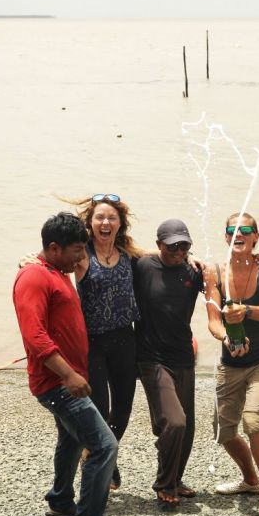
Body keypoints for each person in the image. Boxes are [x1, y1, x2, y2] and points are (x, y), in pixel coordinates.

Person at [12, 211, 119, 516]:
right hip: (57, 383)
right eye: (76, 250)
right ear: (55, 248)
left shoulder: (55, 271)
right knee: (104, 447)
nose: (81, 257)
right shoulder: (34, 277)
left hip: (66, 380)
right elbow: (35, 337)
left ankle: (60, 501)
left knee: (71, 441)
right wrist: (69, 375)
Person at [204, 212, 259, 516]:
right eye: (232, 230)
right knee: (223, 431)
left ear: (255, 237)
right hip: (231, 362)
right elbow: (213, 322)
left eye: (245, 230)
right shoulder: (214, 272)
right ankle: (249, 480)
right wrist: (227, 338)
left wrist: (245, 310)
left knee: (252, 422)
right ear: (226, 237)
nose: (238, 234)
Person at [70, 193, 144, 491]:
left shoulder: (127, 251)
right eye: (99, 217)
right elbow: (50, 262)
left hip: (126, 338)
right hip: (94, 343)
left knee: (123, 409)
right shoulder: (81, 254)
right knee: (99, 409)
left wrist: (189, 257)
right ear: (90, 223)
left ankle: (104, 455)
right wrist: (29, 260)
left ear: (119, 223)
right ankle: (100, 459)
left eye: (111, 218)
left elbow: (155, 255)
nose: (105, 222)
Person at [135, 218, 208, 507]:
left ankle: (175, 478)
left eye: (184, 245)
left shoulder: (193, 271)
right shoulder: (142, 267)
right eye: (171, 246)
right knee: (174, 422)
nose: (178, 251)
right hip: (151, 357)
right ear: (158, 245)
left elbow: (225, 286)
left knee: (186, 426)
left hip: (183, 356)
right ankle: (164, 482)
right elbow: (108, 256)